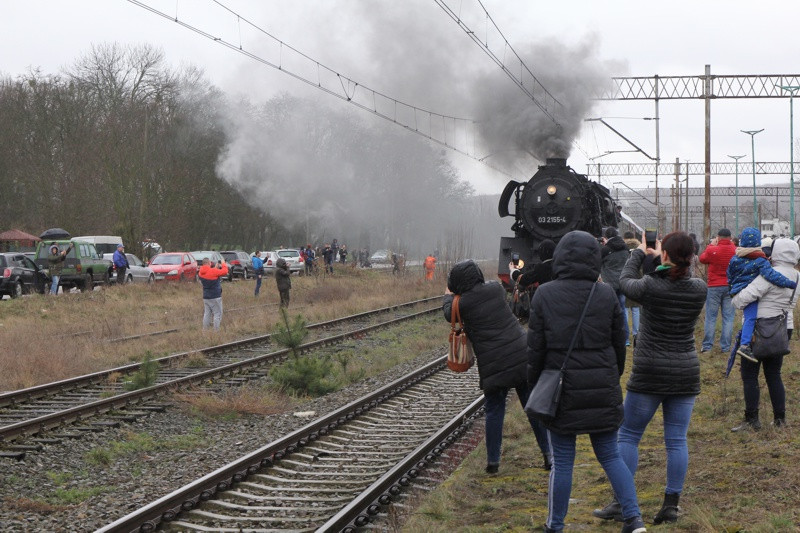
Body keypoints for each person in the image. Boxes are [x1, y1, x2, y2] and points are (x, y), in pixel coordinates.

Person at [527, 231, 645, 533]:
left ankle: (555, 525)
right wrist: (611, 376)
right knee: (610, 455)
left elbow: (536, 349)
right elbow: (619, 343)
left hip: (561, 389)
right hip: (602, 383)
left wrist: (537, 384)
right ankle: (633, 519)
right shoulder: (605, 293)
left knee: (563, 461)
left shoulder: (544, 294)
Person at [595, 231, 706, 525]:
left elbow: (623, 281)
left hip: (649, 371)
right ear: (693, 257)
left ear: (664, 255)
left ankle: (621, 502)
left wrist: (642, 252)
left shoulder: (651, 286)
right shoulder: (699, 289)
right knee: (676, 440)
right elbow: (685, 274)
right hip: (685, 371)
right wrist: (671, 257)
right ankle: (670, 505)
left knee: (629, 435)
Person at [443, 260, 553, 475]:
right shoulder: (494, 288)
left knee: (494, 411)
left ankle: (493, 462)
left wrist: (448, 294)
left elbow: (449, 312)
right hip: (521, 354)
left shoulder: (461, 303)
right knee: (531, 406)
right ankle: (549, 455)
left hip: (494, 364)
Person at [731, 237, 800, 431]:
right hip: (783, 328)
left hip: (759, 329)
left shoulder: (768, 274)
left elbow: (742, 300)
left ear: (775, 252)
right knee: (774, 373)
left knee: (750, 374)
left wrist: (735, 296)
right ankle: (780, 418)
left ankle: (752, 420)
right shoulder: (796, 276)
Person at [727, 227, 796, 362]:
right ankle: (745, 345)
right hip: (777, 322)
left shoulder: (735, 258)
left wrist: (732, 288)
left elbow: (729, 275)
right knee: (751, 318)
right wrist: (789, 283)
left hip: (737, 290)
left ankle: (745, 343)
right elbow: (771, 275)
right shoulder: (760, 260)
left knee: (748, 318)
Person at [698, 228, 737, 353]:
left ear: (718, 237)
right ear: (730, 238)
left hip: (714, 286)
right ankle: (725, 347)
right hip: (730, 286)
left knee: (711, 317)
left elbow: (702, 259)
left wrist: (712, 244)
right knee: (728, 317)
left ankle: (707, 346)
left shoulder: (712, 249)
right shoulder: (735, 250)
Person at [509, 239, 556, 321]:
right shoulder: (561, 264)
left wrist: (513, 270)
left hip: (548, 304)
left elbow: (524, 280)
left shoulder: (542, 268)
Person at [601, 227, 630, 344]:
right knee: (622, 310)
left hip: (609, 284)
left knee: (608, 311)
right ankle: (625, 338)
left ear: (606, 237)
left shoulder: (605, 249)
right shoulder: (625, 247)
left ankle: (610, 336)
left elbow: (598, 261)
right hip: (622, 282)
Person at [199, 257, 229, 331]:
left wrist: (215, 268)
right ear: (209, 263)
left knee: (207, 314)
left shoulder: (200, 273)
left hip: (206, 296)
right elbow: (225, 271)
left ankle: (205, 331)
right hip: (215, 296)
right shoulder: (213, 271)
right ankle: (216, 331)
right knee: (217, 314)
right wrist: (223, 263)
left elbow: (211, 273)